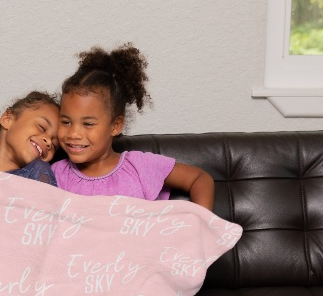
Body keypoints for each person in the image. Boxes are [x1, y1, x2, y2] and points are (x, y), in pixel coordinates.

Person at [53, 45, 214, 210]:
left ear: (116, 126)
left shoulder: (139, 167)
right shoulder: (54, 175)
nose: (73, 133)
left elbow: (200, 178)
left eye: (87, 124)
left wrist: (202, 223)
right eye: (66, 122)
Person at [0, 91, 60, 185]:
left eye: (54, 146)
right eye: (42, 127)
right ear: (7, 119)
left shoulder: (39, 171)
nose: (48, 142)